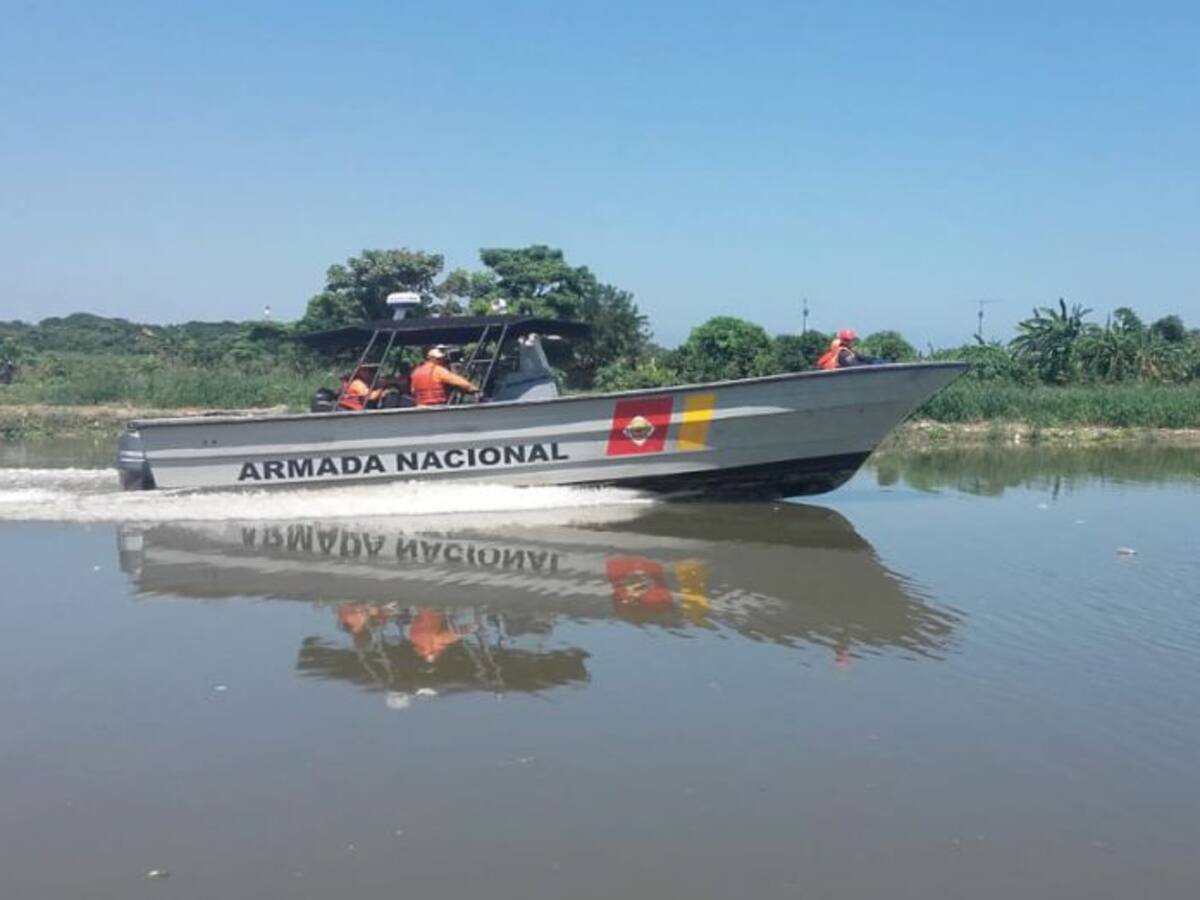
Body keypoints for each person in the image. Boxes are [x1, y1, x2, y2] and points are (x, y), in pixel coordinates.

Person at [410, 346, 479, 406]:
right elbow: (457, 381)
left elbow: (413, 390)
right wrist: (474, 389)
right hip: (438, 406)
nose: (441, 360)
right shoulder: (438, 370)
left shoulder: (416, 371)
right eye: (438, 359)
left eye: (441, 358)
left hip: (421, 407)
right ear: (431, 358)